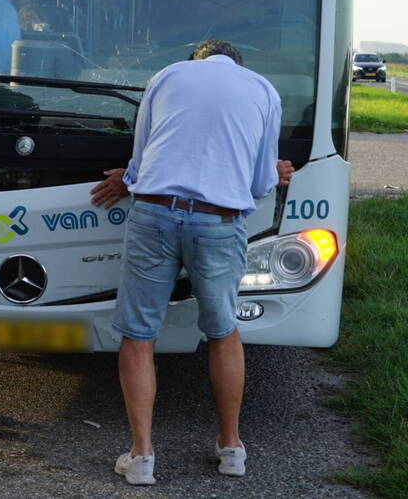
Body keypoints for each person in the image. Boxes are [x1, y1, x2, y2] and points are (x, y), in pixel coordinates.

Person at [89, 39, 294, 485]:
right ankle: (231, 448)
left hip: (155, 213)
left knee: (139, 335)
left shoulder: (166, 76)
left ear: (196, 61)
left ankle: (141, 457)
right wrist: (273, 174)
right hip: (217, 224)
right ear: (237, 64)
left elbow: (140, 159)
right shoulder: (263, 90)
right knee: (223, 331)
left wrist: (128, 180)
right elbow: (261, 184)